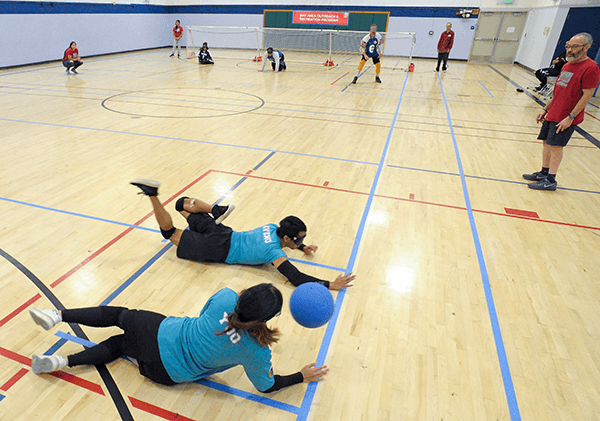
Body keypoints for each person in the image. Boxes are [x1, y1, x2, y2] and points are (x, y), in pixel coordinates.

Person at [29, 283, 329, 393]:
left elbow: (210, 312)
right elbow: (267, 386)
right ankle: (59, 361)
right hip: (168, 372)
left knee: (120, 316)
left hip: (160, 331)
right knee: (120, 347)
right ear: (266, 320)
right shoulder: (258, 351)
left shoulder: (225, 297)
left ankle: (58, 315)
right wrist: (300, 377)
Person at [130, 179, 355, 290]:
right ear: (286, 239)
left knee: (182, 205)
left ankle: (214, 210)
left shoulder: (270, 227)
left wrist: (303, 248)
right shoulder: (274, 253)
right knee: (168, 232)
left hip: (221, 231)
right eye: (299, 239)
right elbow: (296, 278)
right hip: (217, 248)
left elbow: (288, 243)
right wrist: (329, 284)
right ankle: (153, 195)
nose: (301, 242)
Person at [523, 33, 600, 191]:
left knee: (556, 146)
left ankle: (551, 180)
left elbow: (587, 95)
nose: (570, 50)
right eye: (568, 46)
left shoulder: (591, 68)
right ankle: (544, 173)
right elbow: (558, 90)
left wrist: (571, 117)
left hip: (566, 116)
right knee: (546, 142)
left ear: (586, 47)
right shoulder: (566, 65)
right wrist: (546, 108)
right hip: (553, 113)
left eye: (574, 47)